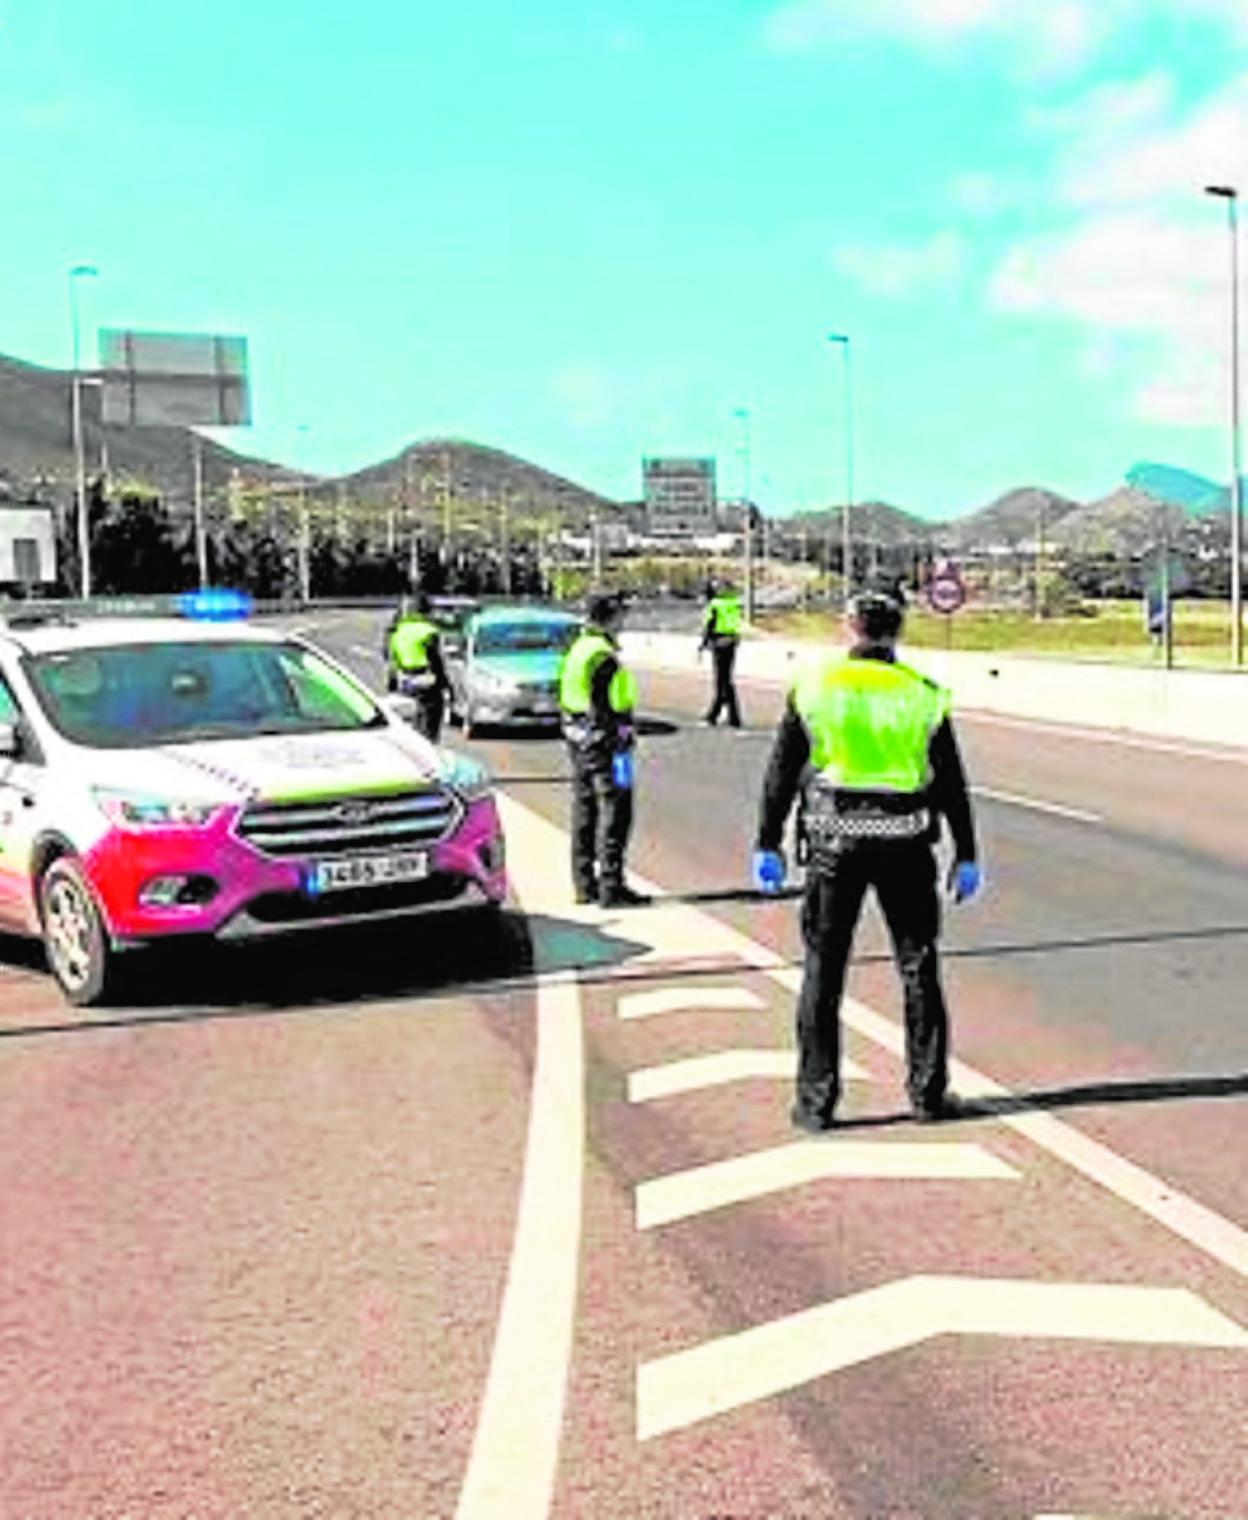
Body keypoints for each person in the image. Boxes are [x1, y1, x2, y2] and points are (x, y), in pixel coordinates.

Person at [751, 576, 981, 1130]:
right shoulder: (922, 694)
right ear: (899, 631)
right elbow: (951, 782)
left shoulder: (815, 688)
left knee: (823, 973)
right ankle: (928, 1096)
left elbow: (780, 774)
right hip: (905, 846)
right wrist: (967, 851)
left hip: (834, 846)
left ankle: (815, 1104)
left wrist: (768, 841)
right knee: (918, 966)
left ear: (848, 628)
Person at [558, 593, 650, 908]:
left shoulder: (579, 648)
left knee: (584, 809)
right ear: (609, 618)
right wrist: (619, 737)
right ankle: (612, 886)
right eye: (620, 616)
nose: (623, 621)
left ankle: (584, 885)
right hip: (605, 744)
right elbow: (602, 706)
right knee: (616, 810)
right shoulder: (602, 656)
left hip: (577, 739)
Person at [388, 592, 450, 741]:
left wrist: (392, 684)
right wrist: (445, 684)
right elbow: (435, 660)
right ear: (428, 611)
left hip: (404, 680)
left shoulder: (399, 630)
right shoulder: (429, 631)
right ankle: (430, 744)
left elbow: (391, 659)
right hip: (425, 680)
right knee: (432, 716)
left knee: (409, 723)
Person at [699, 579, 743, 727]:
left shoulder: (714, 606)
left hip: (719, 643)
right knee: (727, 680)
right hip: (732, 642)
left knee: (720, 681)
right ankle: (733, 716)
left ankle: (713, 715)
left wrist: (703, 643)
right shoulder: (732, 603)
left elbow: (709, 625)